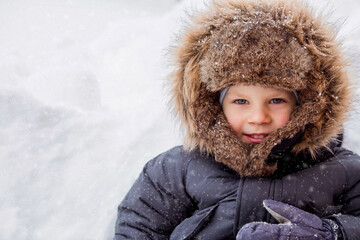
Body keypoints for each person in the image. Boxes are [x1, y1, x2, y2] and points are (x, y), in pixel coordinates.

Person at [114, 0, 360, 239]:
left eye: (276, 101)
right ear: (212, 105)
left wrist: (335, 233)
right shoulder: (176, 171)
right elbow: (137, 229)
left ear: (306, 104)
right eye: (241, 101)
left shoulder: (343, 171)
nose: (258, 117)